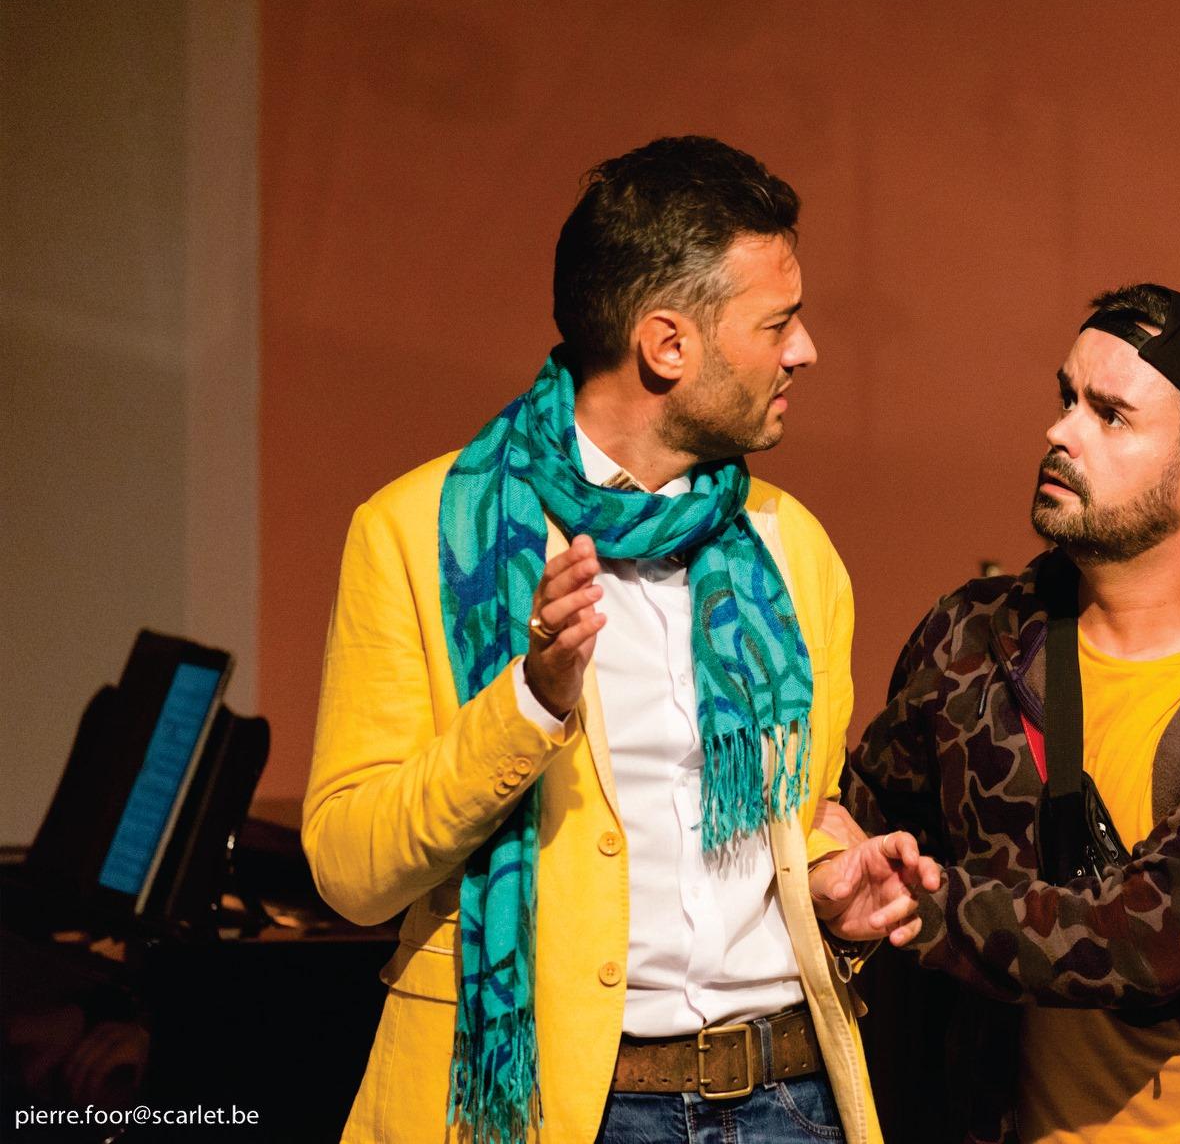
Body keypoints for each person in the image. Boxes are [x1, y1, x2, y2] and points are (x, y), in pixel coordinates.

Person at [302, 136, 922, 1144]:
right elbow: (351, 869)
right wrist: (529, 702)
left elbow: (789, 813)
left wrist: (827, 880)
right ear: (667, 345)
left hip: (788, 1095)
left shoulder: (788, 545)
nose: (804, 350)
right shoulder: (417, 533)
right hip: (565, 1104)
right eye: (777, 322)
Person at [844, 285, 1180, 1143]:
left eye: (1110, 415)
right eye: (1067, 397)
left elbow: (1149, 938)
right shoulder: (973, 638)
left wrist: (911, 907)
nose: (1060, 432)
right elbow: (863, 827)